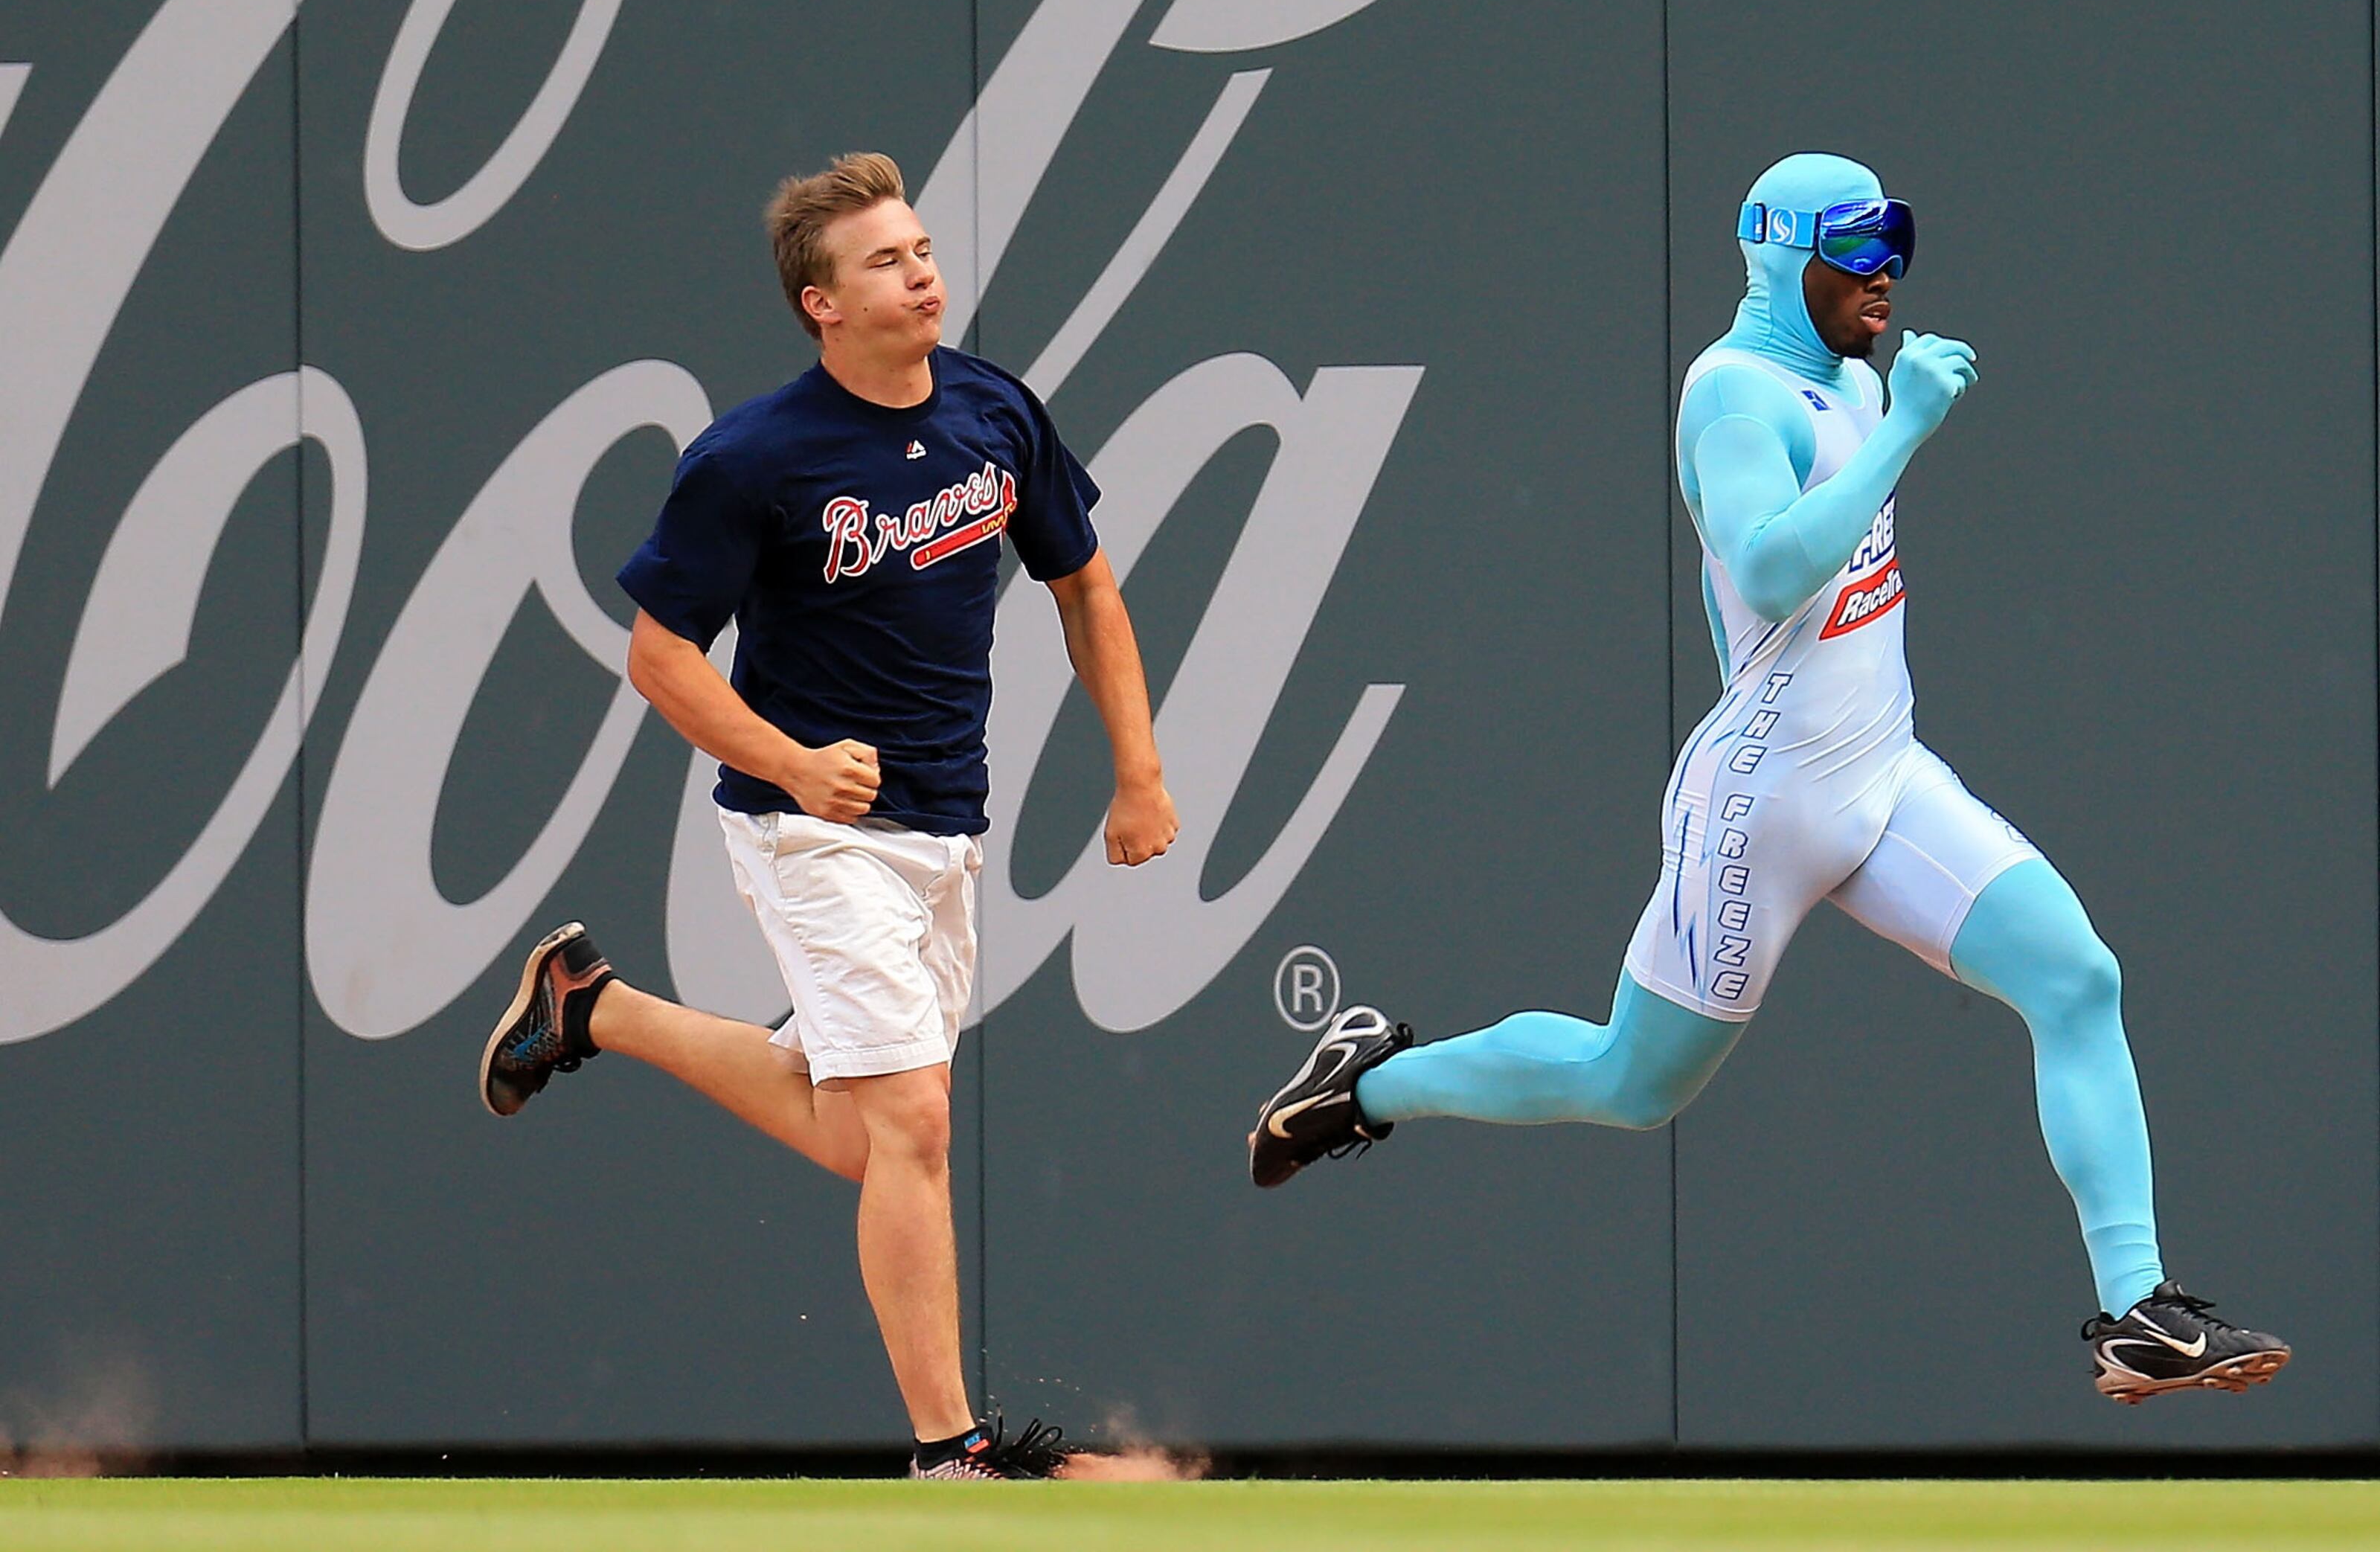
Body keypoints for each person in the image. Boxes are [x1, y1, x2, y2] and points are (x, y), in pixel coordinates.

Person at [1248, 152, 2288, 1405]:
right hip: (1766, 800)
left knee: (2077, 978)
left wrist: (1885, 409)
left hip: (1883, 772)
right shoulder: (1736, 396)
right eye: (1858, 252)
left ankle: (2140, 1313)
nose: (1886, 275)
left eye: (1895, 244)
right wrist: (1905, 427)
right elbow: (1774, 566)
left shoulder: (1845, 373)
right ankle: (1367, 1086)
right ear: (1789, 261)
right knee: (1628, 1084)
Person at [479, 153, 1178, 1478]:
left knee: (865, 1135)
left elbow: (1084, 586)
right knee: (912, 1124)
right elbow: (660, 656)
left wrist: (1136, 772)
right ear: (822, 303)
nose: (921, 273)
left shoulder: (994, 412)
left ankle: (593, 1005)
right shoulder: (754, 457)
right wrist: (794, 765)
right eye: (886, 261)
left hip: (939, 825)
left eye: (921, 249)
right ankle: (950, 1451)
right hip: (812, 829)